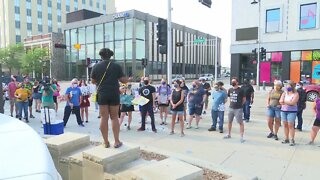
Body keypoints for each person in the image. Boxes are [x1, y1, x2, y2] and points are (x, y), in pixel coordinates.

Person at [91, 48, 131, 148]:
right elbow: (123, 80)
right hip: (114, 93)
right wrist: (128, 79)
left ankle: (105, 142)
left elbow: (93, 81)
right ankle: (116, 141)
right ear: (110, 56)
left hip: (102, 94)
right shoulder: (116, 66)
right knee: (114, 117)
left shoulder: (96, 66)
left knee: (104, 117)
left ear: (101, 56)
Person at [224, 78, 246, 143]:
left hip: (238, 109)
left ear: (237, 82)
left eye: (234, 81)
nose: (232, 82)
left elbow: (244, 99)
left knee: (240, 122)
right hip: (231, 108)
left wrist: (240, 105)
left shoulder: (241, 90)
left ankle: (241, 136)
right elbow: (230, 97)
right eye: (232, 81)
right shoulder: (230, 90)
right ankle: (229, 134)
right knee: (229, 121)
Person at [279, 81, 299, 146]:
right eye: (287, 86)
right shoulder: (284, 93)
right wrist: (287, 102)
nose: (287, 87)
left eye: (289, 86)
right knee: (285, 125)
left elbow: (293, 103)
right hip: (283, 111)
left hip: (292, 111)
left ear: (292, 86)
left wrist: (285, 102)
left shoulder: (296, 94)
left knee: (290, 125)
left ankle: (292, 139)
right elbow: (280, 101)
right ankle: (286, 138)